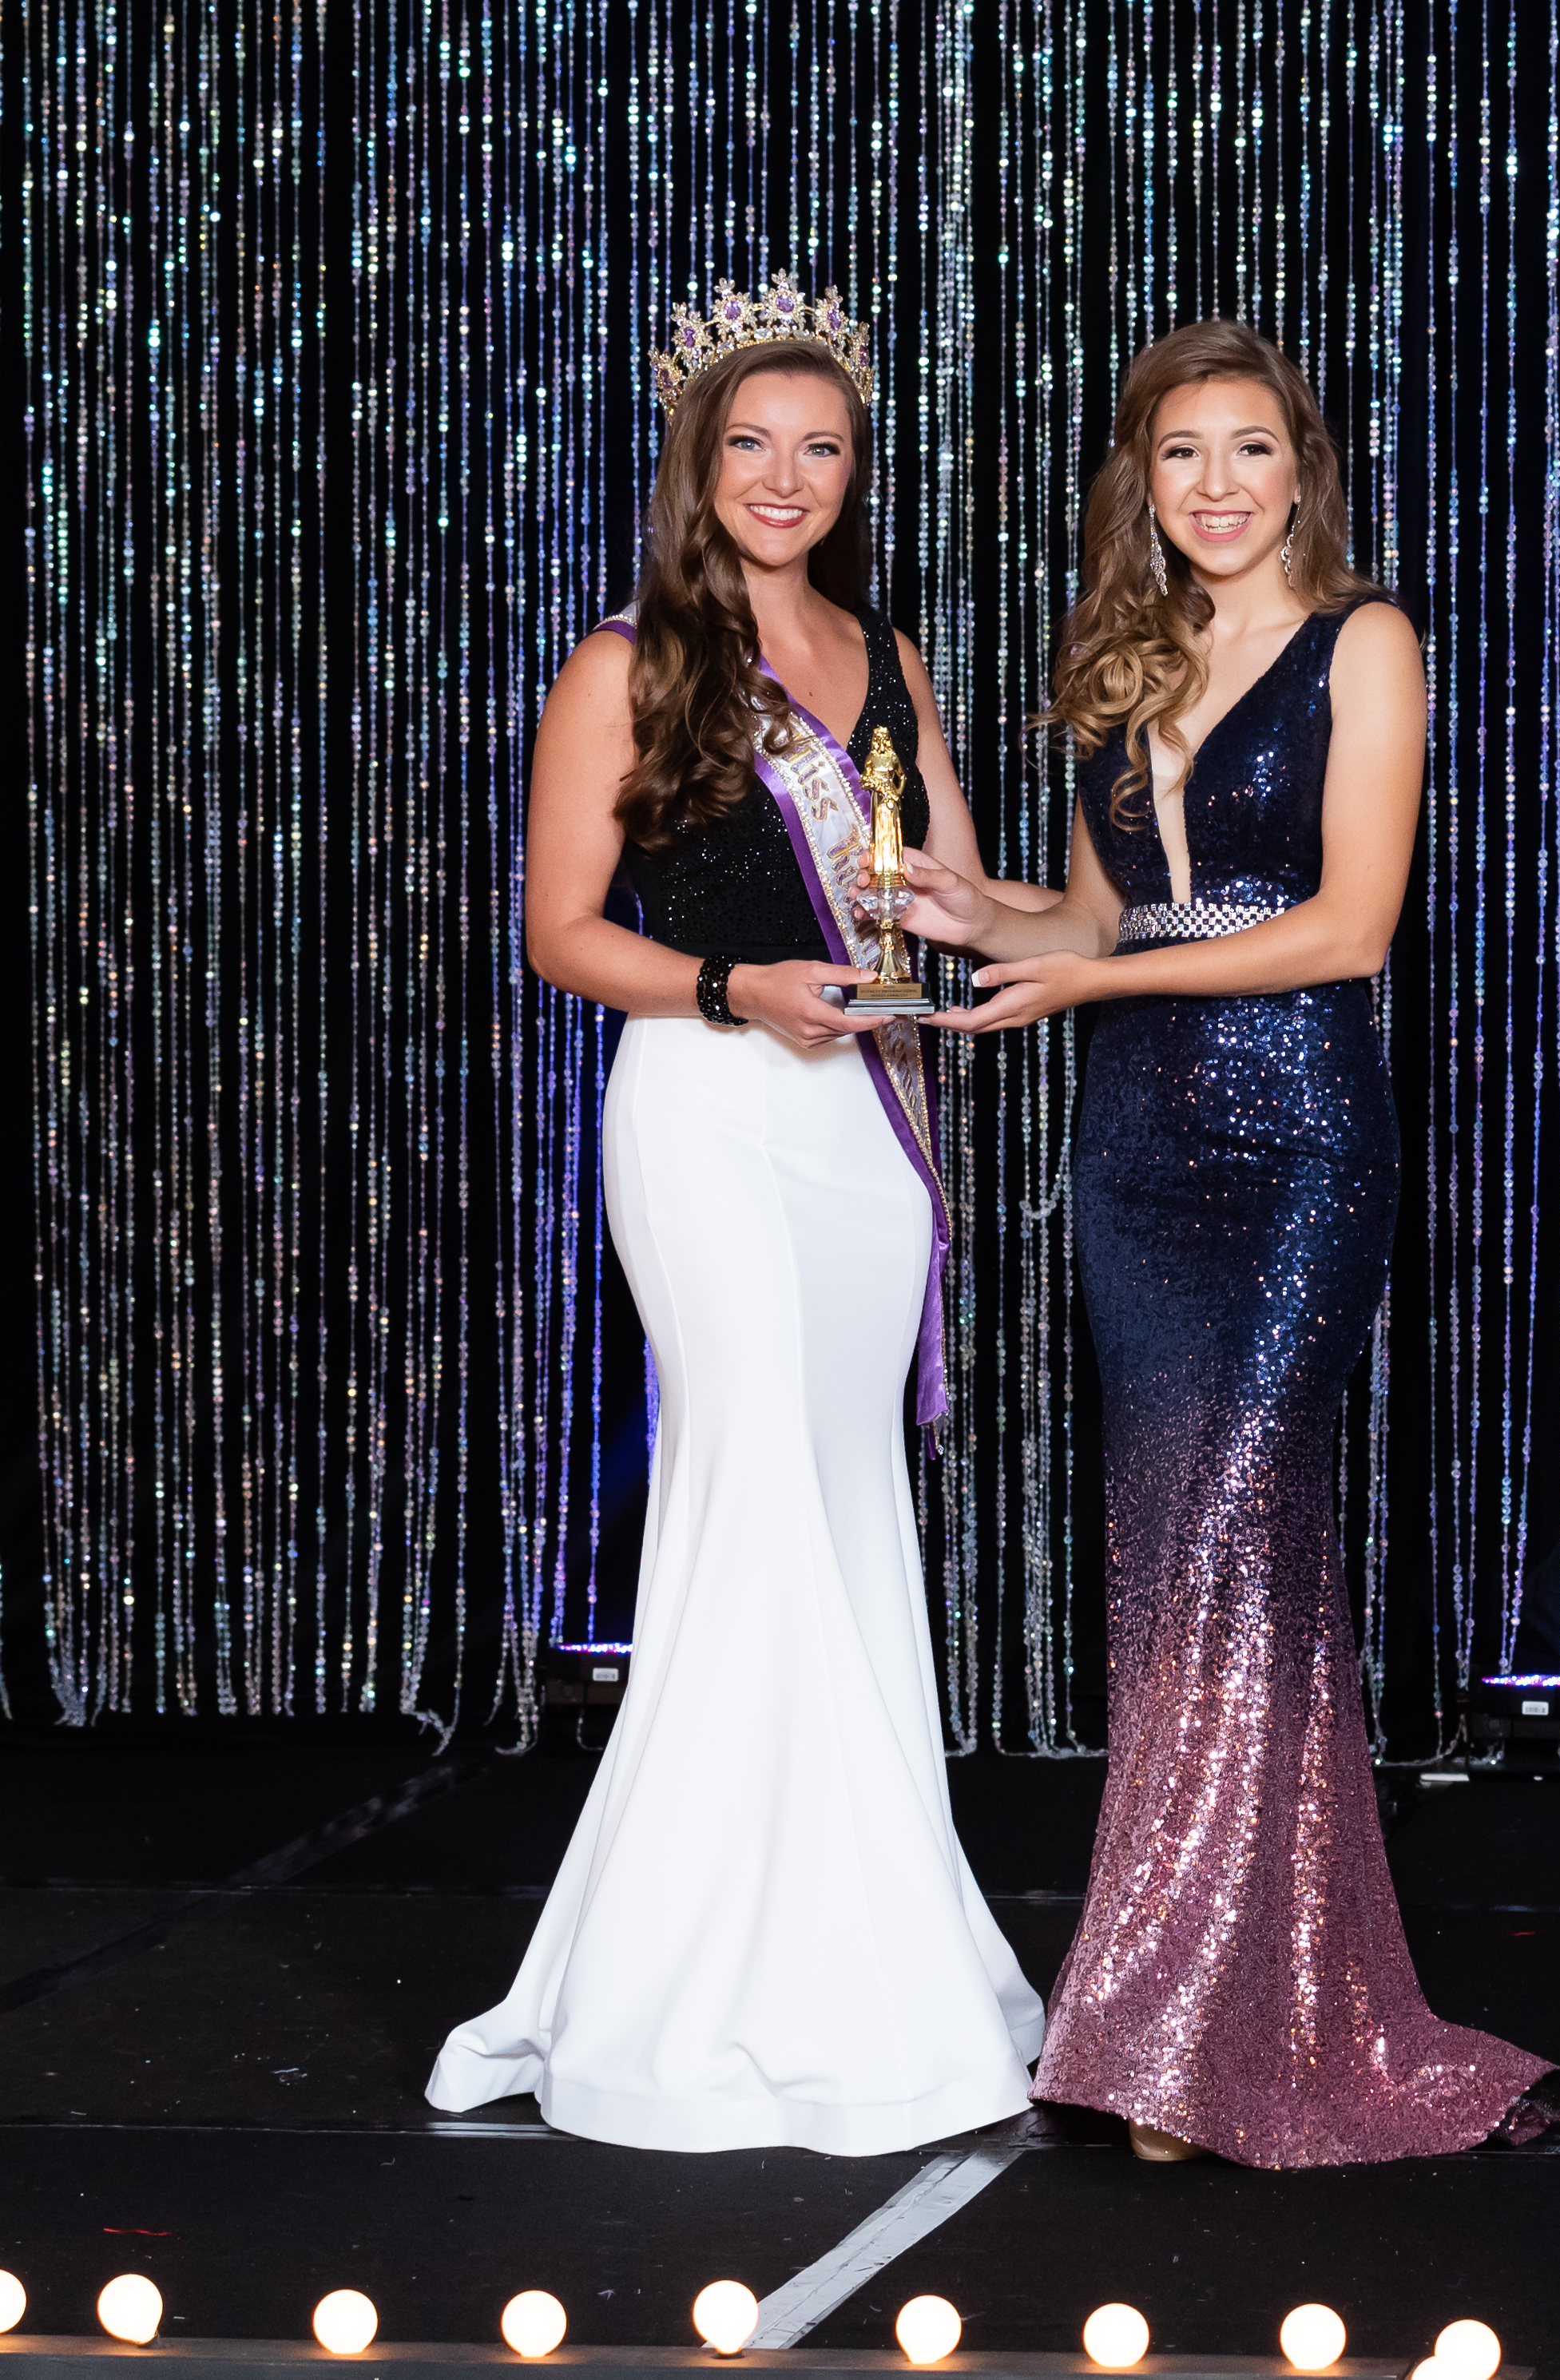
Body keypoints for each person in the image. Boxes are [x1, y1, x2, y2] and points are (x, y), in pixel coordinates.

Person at [895, 320, 1560, 2168]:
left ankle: (1184, 2027)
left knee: (1232, 1542)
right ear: (1143, 477)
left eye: (1249, 448)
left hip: (1292, 1152)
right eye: (1180, 452)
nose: (1215, 484)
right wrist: (972, 910)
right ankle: (1232, 2004)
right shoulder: (1124, 659)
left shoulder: (1367, 641)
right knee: (1177, 1566)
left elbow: (1347, 928)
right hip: (1138, 1153)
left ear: (1300, 470)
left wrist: (1093, 977)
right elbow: (1095, 916)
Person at [426, 276, 1046, 2153]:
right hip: (706, 1106)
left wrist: (1084, 926)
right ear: (698, 461)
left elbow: (947, 891)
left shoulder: (884, 653)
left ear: (854, 472)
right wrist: (731, 986)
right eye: (753, 443)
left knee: (842, 1512)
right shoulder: (626, 664)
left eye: (821, 446)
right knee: (755, 1500)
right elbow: (560, 932)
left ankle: (857, 1948)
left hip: (858, 1125)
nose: (786, 475)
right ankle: (701, 1987)